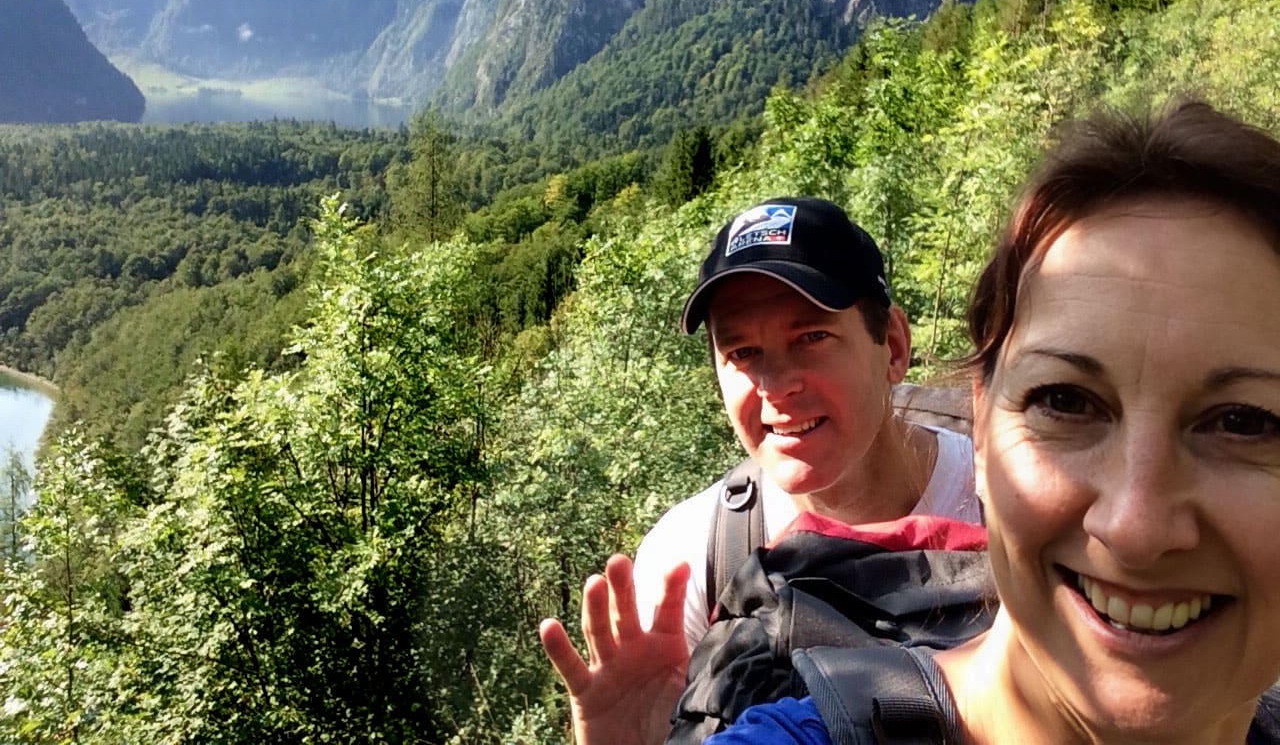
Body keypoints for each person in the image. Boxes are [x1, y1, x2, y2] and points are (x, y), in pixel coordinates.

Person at [706, 98, 1280, 744]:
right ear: (981, 423)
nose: (1135, 527)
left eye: (1245, 421)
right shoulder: (700, 554)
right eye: (1065, 401)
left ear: (894, 346)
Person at [540, 196, 982, 745]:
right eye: (743, 352)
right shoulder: (694, 560)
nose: (776, 385)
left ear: (892, 346)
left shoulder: (1007, 494)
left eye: (812, 338)